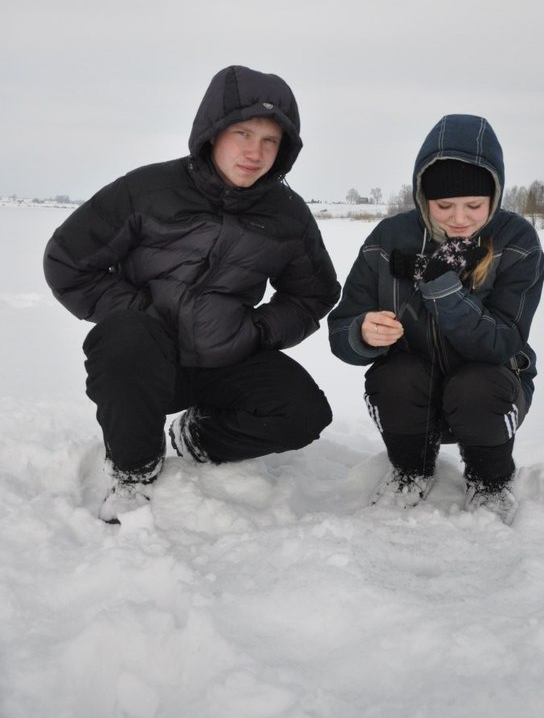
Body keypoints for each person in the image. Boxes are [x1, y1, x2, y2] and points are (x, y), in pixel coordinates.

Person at [44, 65, 340, 524]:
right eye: (243, 133)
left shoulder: (288, 215)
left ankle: (195, 437)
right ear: (213, 131)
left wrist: (258, 331)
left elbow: (314, 293)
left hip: (227, 357)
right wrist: (140, 313)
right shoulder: (147, 190)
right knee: (126, 339)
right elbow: (68, 261)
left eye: (270, 140)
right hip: (146, 360)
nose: (255, 152)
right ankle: (134, 472)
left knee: (304, 413)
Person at [328, 114, 544, 524]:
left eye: (474, 205)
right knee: (396, 376)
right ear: (422, 197)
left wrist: (443, 290)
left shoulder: (516, 241)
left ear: (494, 196)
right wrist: (362, 332)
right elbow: (341, 329)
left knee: (477, 384)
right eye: (444, 205)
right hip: (413, 397)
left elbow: (501, 341)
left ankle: (490, 481)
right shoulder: (388, 238)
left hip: (489, 393)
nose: (459, 218)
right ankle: (410, 472)